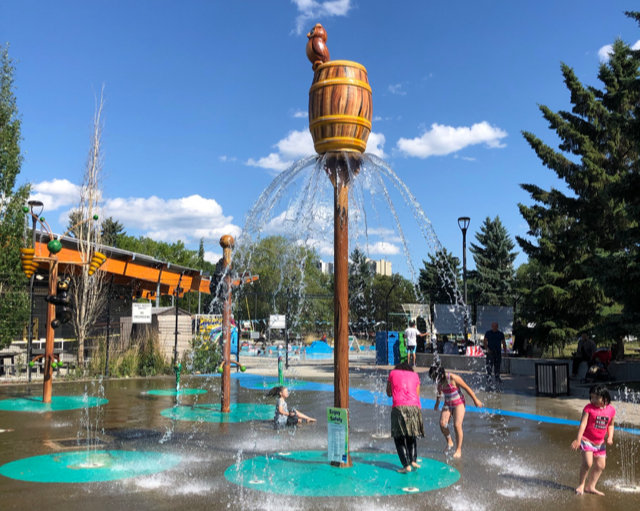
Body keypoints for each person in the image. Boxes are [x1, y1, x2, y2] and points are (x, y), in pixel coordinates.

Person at [429, 364, 483, 458]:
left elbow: (466, 388)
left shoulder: (453, 378)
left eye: (436, 378)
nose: (436, 381)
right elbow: (439, 391)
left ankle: (458, 449)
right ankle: (449, 442)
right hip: (448, 404)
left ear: (441, 374)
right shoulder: (439, 381)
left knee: (457, 425)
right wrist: (437, 402)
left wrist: (475, 399)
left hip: (459, 403)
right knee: (442, 423)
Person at [570, 384, 615, 496]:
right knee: (588, 463)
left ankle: (591, 486)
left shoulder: (611, 410)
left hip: (600, 443)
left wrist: (610, 437)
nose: (593, 400)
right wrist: (578, 439)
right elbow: (583, 423)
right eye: (592, 397)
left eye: (596, 397)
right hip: (587, 439)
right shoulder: (588, 408)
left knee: (601, 465)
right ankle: (581, 485)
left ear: (605, 398)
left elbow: (611, 425)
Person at [386, 361, 425, 473]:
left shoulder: (393, 373)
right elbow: (417, 395)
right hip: (414, 407)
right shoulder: (415, 375)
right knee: (411, 435)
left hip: (399, 407)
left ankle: (406, 465)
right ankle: (413, 460)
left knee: (399, 437)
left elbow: (388, 393)